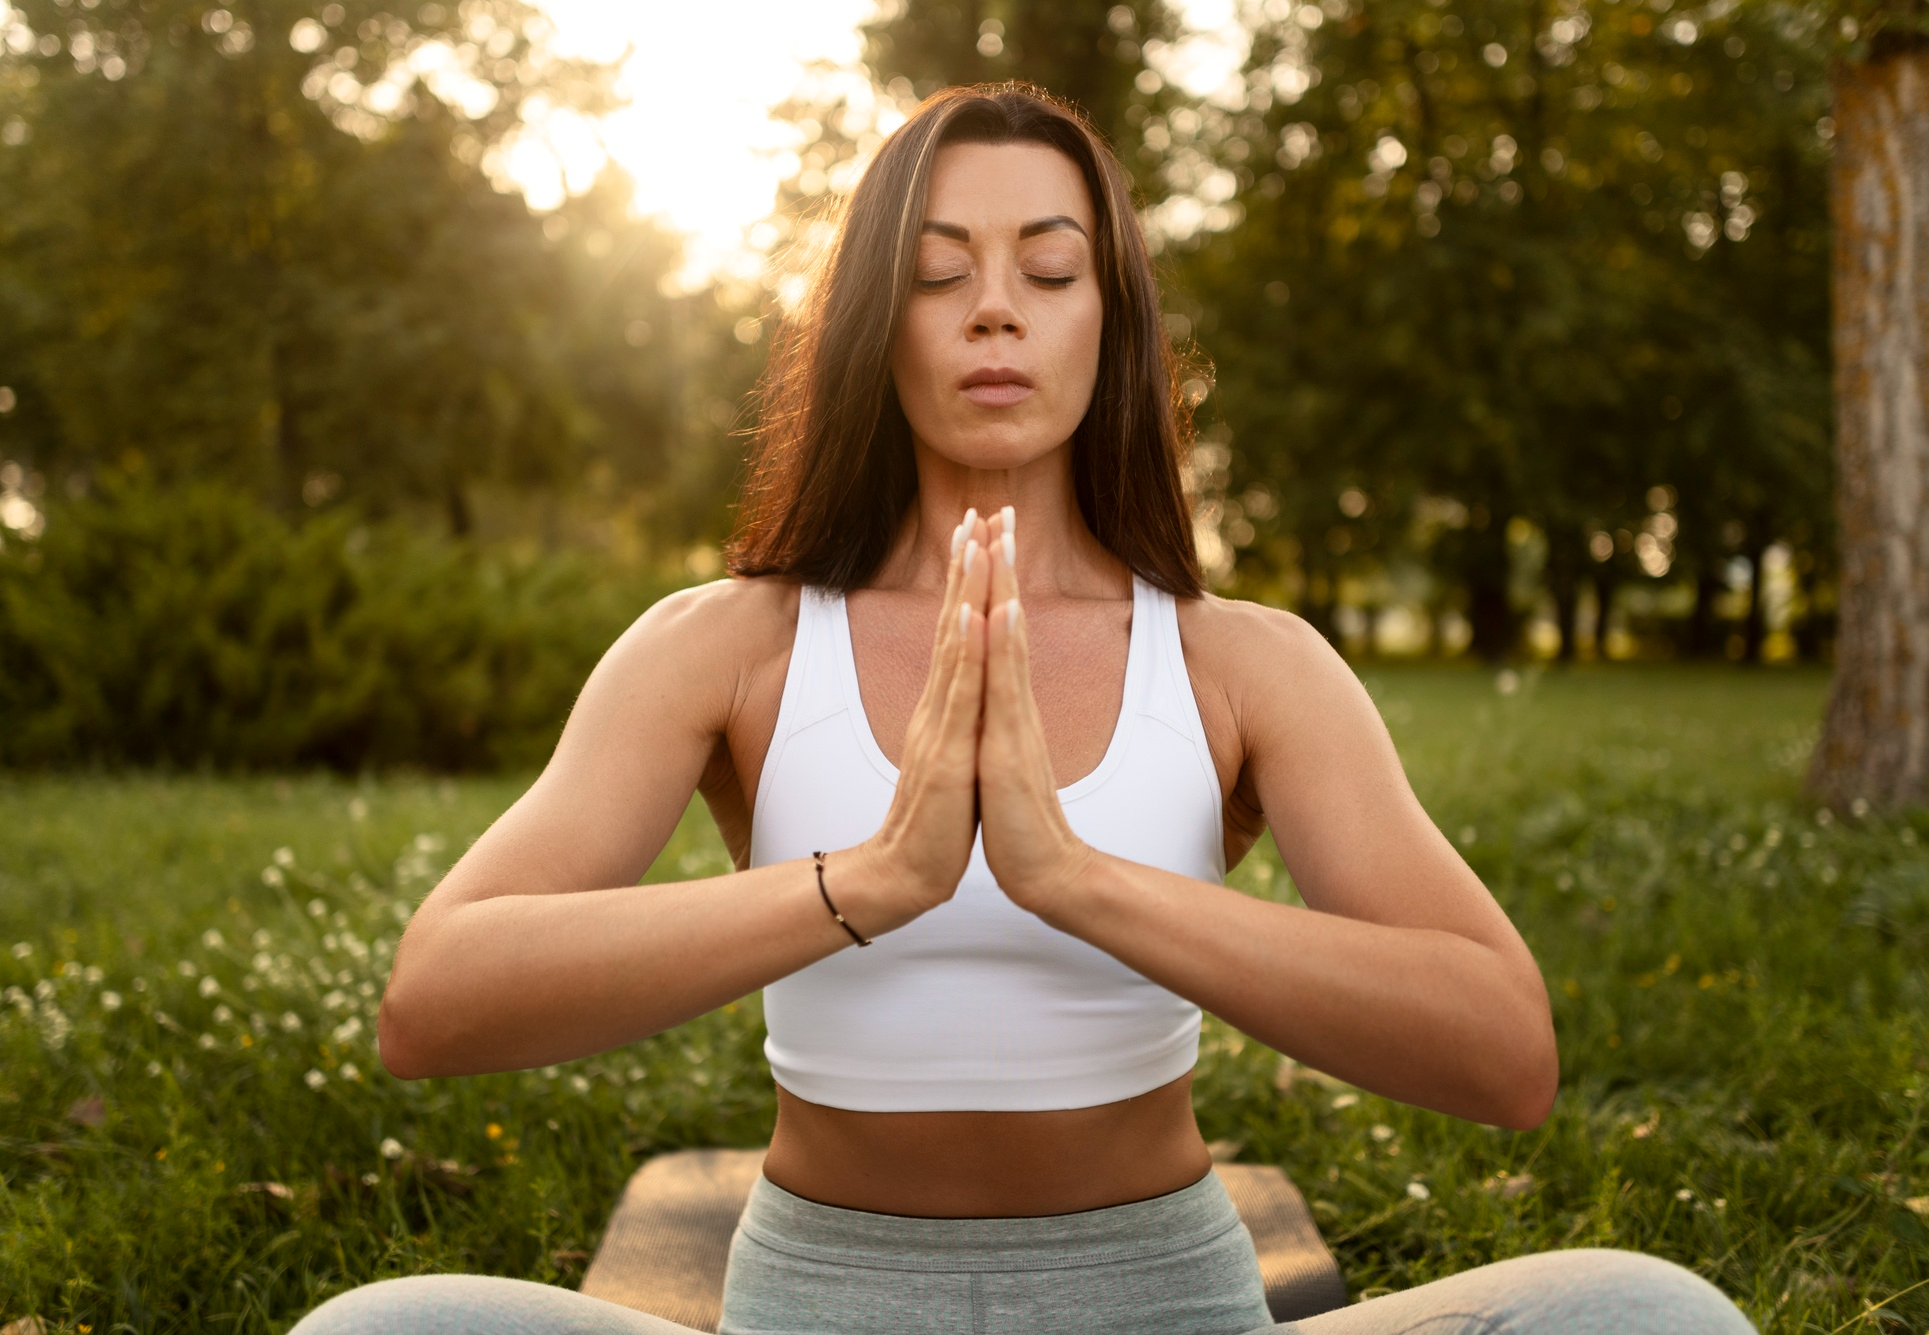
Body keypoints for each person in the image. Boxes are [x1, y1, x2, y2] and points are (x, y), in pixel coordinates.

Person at [291, 85, 1756, 1335]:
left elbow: (1505, 1049)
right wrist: (869, 882)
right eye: (939, 272)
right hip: (825, 1294)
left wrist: (1079, 879)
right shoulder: (727, 645)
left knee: (1655, 1315)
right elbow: (437, 998)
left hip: (1161, 1291)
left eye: (1049, 269)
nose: (996, 305)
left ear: (1108, 321)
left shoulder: (1248, 663)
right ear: (879, 319)